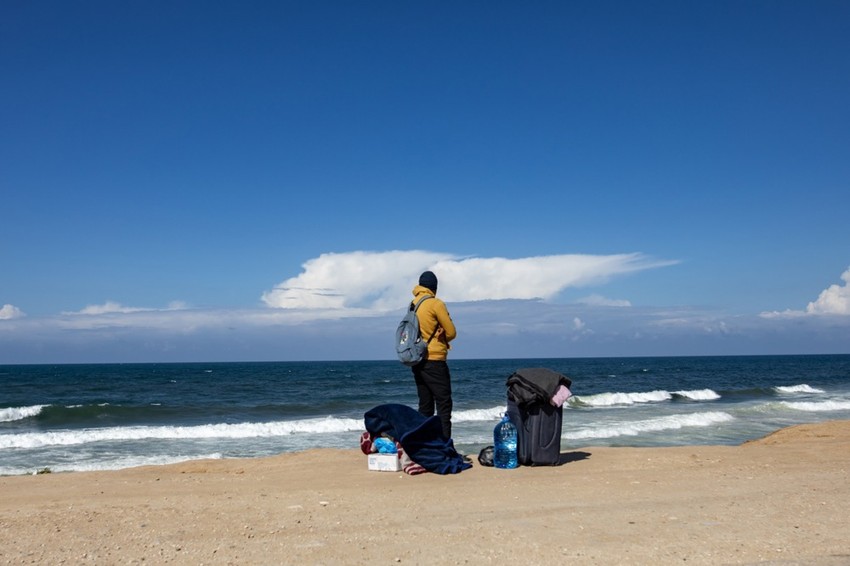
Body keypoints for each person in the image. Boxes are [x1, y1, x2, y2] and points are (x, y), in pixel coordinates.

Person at [409, 270, 457, 439]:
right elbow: (452, 332)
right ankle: (444, 446)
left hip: (417, 359)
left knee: (425, 406)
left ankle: (425, 445)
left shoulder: (413, 304)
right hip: (434, 359)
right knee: (444, 404)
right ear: (434, 287)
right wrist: (442, 335)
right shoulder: (436, 304)